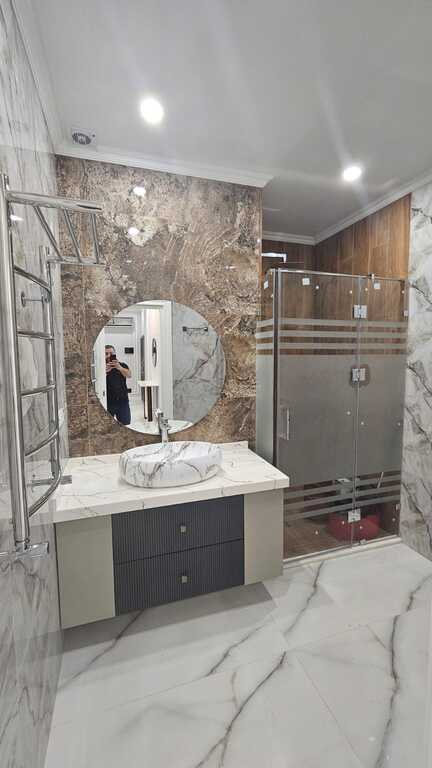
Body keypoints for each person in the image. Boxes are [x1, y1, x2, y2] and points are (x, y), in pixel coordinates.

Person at [105, 345, 132, 425]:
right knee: (108, 425)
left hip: (123, 401)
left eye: (111, 353)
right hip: (108, 401)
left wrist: (119, 368)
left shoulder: (122, 365)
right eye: (106, 353)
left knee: (125, 424)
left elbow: (129, 375)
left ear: (115, 354)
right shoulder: (100, 367)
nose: (109, 355)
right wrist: (105, 371)